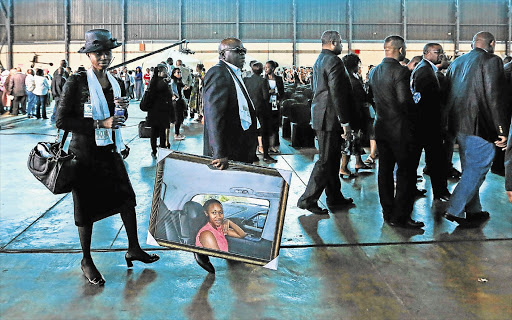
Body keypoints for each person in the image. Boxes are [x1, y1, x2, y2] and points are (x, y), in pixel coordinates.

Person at [56, 29, 159, 286]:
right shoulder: (77, 82)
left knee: (127, 198)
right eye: (98, 53)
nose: (104, 57)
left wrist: (118, 121)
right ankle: (86, 260)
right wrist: (101, 122)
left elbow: (115, 119)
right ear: (89, 54)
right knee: (86, 208)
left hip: (109, 149)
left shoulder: (116, 82)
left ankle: (133, 248)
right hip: (84, 153)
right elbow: (61, 120)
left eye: (107, 52)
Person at [442, 31, 508, 226]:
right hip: (481, 126)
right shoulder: (492, 61)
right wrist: (502, 130)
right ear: (492, 43)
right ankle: (454, 209)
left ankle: (473, 210)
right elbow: (494, 98)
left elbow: (447, 95)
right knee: (477, 169)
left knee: (470, 168)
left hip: (459, 126)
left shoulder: (457, 62)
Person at [368, 35, 424, 229]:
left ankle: (388, 213)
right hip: (400, 130)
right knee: (406, 173)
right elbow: (404, 101)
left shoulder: (374, 72)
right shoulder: (400, 71)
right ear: (400, 49)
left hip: (381, 127)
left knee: (384, 171)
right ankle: (401, 217)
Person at [296, 30, 354, 215]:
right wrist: (345, 121)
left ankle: (335, 197)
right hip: (330, 117)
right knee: (326, 160)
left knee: (332, 159)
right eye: (341, 42)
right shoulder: (334, 61)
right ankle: (307, 199)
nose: (342, 46)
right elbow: (337, 93)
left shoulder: (320, 59)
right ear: (333, 42)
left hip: (322, 115)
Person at [203, 37, 259, 168]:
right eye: (237, 51)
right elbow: (214, 116)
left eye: (244, 51)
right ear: (223, 54)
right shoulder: (218, 73)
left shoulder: (233, 73)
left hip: (238, 147)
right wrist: (218, 153)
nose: (242, 54)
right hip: (228, 152)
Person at [410, 43, 451, 202]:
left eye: (441, 52)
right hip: (428, 124)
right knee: (436, 160)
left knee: (428, 160)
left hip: (424, 124)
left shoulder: (425, 69)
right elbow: (424, 100)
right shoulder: (425, 72)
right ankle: (440, 192)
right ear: (426, 53)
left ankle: (417, 189)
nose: (440, 54)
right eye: (437, 52)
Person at [338, 53, 372, 177]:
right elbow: (361, 97)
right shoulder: (351, 80)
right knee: (348, 142)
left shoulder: (348, 77)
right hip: (353, 116)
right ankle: (343, 168)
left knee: (355, 140)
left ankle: (358, 162)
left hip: (353, 115)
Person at [244, 62, 274, 163]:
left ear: (252, 70)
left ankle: (252, 155)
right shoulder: (263, 81)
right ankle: (265, 155)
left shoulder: (246, 80)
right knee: (263, 133)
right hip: (261, 110)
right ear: (261, 70)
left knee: (252, 133)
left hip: (250, 110)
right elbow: (265, 96)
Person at [144, 63, 175, 158]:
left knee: (153, 133)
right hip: (162, 112)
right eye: (164, 71)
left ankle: (153, 151)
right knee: (162, 133)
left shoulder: (151, 82)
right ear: (160, 72)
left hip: (153, 112)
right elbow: (169, 97)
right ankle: (162, 150)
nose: (166, 72)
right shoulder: (163, 84)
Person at [264, 60, 285, 154]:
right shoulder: (263, 79)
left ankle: (272, 146)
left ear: (272, 69)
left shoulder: (279, 79)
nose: (265, 69)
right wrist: (269, 92)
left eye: (267, 67)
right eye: (265, 67)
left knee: (274, 125)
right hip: (266, 105)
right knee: (266, 125)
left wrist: (277, 93)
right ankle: (265, 146)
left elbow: (283, 93)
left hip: (275, 104)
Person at [170, 68, 186, 141]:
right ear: (174, 74)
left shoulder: (179, 81)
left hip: (180, 101)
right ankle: (176, 134)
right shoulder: (173, 81)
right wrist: (173, 96)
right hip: (176, 102)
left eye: (180, 72)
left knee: (180, 117)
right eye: (177, 72)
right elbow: (171, 90)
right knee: (177, 118)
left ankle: (177, 133)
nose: (179, 74)